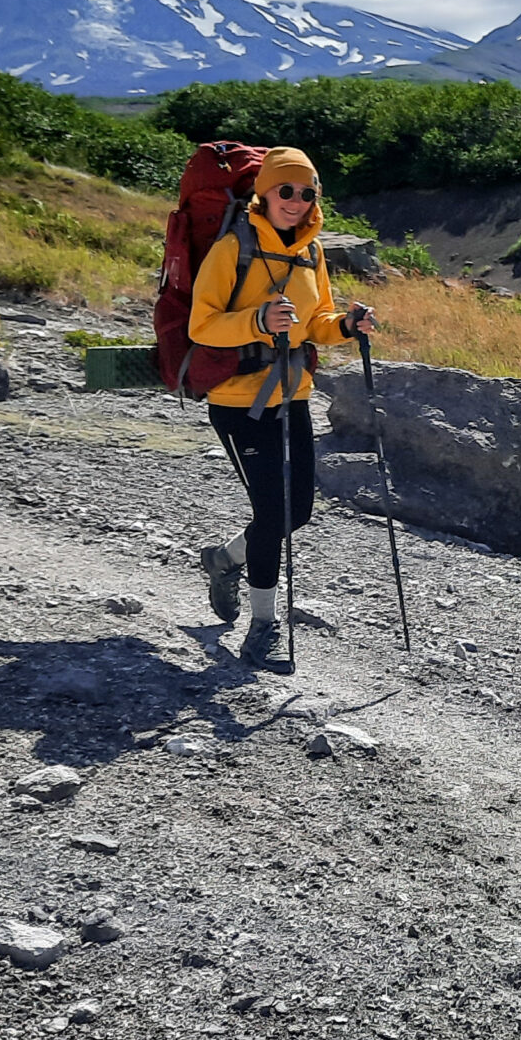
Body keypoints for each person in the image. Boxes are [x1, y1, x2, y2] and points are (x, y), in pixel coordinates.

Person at [185, 146, 372, 666]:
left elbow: (317, 322)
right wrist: (257, 322)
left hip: (293, 396)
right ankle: (263, 625)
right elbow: (201, 324)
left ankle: (225, 560)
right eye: (285, 189)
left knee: (298, 512)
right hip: (237, 402)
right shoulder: (233, 247)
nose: (295, 200)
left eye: (306, 192)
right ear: (264, 193)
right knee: (272, 513)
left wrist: (345, 325)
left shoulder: (312, 252)